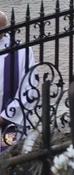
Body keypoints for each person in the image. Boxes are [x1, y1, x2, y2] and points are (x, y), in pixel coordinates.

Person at [0, 11, 38, 150]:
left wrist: (5, 117)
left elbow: (29, 88)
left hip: (10, 125)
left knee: (6, 159)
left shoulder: (21, 51)